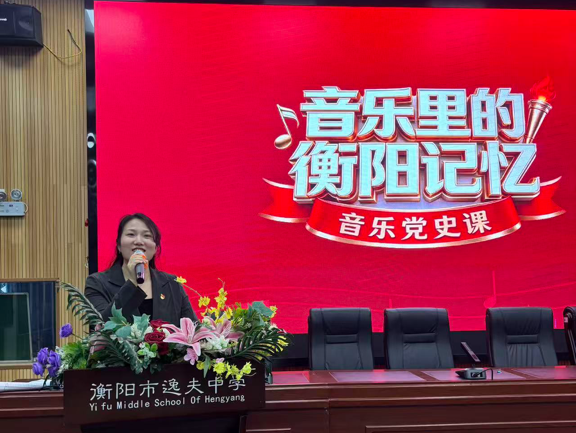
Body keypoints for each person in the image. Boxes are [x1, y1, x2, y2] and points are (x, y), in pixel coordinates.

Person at [85, 213, 197, 324]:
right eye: (131, 234)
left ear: (156, 248)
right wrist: (131, 283)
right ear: (119, 245)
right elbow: (101, 327)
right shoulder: (97, 283)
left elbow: (195, 329)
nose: (138, 241)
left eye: (147, 236)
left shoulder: (172, 284)